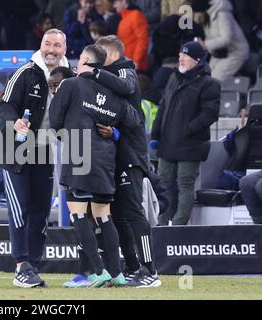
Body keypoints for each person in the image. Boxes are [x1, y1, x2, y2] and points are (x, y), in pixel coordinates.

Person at [50, 44, 140, 287]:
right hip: (105, 159)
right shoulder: (114, 94)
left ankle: (98, 271)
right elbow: (134, 119)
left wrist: (68, 136)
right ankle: (117, 274)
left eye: (79, 59)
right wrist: (112, 132)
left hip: (79, 153)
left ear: (85, 61)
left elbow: (54, 119)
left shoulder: (71, 84)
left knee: (78, 213)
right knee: (103, 215)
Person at [0, 28, 69, 288]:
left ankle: (33, 266)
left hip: (44, 149)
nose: (51, 50)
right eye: (47, 44)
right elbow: (4, 105)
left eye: (57, 46)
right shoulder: (25, 72)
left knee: (41, 210)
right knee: (20, 209)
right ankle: (21, 265)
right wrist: (13, 122)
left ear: (64, 50)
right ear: (41, 45)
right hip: (14, 148)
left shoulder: (68, 76)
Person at [90, 35, 161, 287]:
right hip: (114, 156)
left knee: (133, 213)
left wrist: (95, 74)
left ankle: (150, 271)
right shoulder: (109, 77)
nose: (97, 60)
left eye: (102, 54)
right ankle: (133, 267)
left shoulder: (125, 70)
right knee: (118, 215)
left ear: (114, 55)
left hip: (130, 155)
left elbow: (128, 91)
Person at [151, 41, 220, 225]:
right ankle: (162, 224)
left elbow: (210, 113)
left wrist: (189, 129)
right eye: (180, 54)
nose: (180, 58)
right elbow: (163, 106)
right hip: (168, 142)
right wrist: (156, 133)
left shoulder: (209, 84)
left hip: (191, 144)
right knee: (163, 184)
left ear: (197, 60)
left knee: (185, 184)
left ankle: (180, 226)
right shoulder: (174, 78)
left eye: (185, 55)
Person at [191, 0, 250, 82]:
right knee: (203, 78)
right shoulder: (206, 18)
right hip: (219, 54)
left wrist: (205, 44)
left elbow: (227, 39)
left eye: (198, 15)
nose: (197, 18)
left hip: (236, 52)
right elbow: (211, 38)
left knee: (213, 80)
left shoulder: (222, 13)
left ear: (203, 11)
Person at [113, 0, 149, 72]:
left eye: (115, 2)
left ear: (123, 1)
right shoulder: (124, 19)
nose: (114, 6)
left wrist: (136, 60)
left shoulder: (136, 15)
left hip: (136, 66)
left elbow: (143, 39)